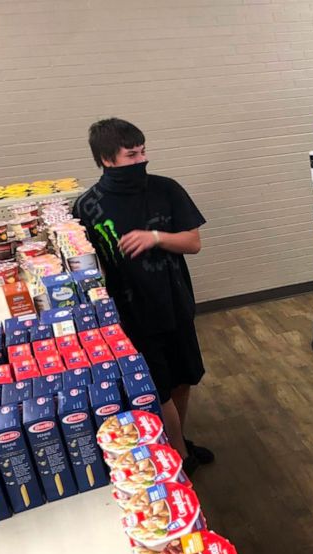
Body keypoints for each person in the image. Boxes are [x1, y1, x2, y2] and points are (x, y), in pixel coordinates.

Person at [73, 118, 214, 474]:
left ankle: (175, 438)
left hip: (176, 301)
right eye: (131, 155)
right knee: (158, 385)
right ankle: (178, 455)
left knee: (184, 376)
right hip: (132, 311)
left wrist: (155, 237)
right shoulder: (87, 207)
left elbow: (193, 243)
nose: (141, 160)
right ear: (107, 159)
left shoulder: (166, 189)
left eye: (143, 151)